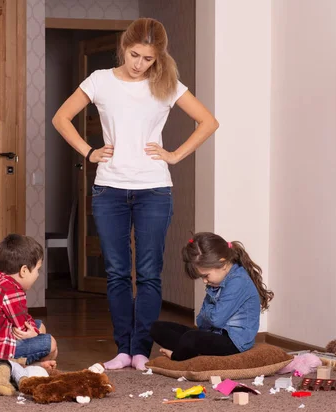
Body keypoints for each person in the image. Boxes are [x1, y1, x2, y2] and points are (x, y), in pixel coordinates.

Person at [52, 17, 219, 370]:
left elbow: (208, 121)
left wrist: (173, 155)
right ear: (124, 47)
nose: (139, 64)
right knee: (115, 272)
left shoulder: (167, 84)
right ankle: (123, 349)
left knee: (148, 273)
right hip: (109, 189)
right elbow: (61, 118)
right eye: (134, 54)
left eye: (147, 58)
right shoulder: (99, 80)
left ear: (157, 58)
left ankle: (141, 349)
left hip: (154, 190)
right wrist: (88, 151)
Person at [150, 232, 274, 361]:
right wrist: (210, 315)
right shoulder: (216, 282)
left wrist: (208, 314)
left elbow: (216, 320)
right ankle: (190, 350)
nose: (204, 281)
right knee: (157, 328)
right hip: (214, 334)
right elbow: (200, 322)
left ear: (223, 264)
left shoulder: (238, 282)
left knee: (190, 338)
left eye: (205, 275)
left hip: (235, 342)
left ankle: (178, 356)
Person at [0, 234, 57, 368]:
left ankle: (30, 363)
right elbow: (22, 328)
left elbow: (23, 320)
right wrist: (33, 333)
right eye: (37, 270)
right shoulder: (12, 291)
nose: (38, 275)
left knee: (40, 326)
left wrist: (34, 330)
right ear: (24, 270)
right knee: (51, 344)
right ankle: (31, 368)